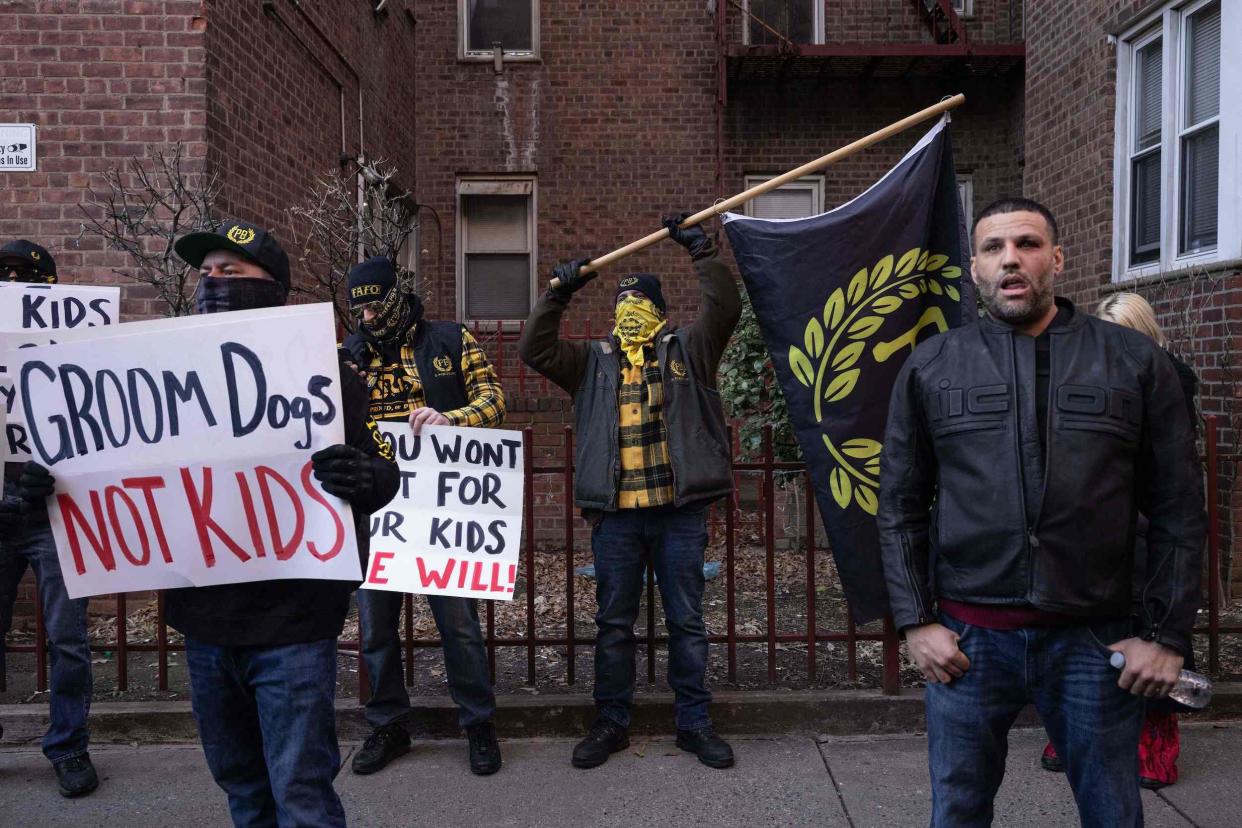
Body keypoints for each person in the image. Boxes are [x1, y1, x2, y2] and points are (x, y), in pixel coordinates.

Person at [19, 220, 400, 826]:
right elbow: (108, 460)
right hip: (205, 624)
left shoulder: (331, 378)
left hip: (294, 624)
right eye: (207, 272)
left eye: (233, 271)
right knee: (242, 788)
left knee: (300, 791)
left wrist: (368, 479)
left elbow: (383, 470)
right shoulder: (160, 376)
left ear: (273, 287)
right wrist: (47, 481)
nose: (214, 281)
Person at [878, 197, 1205, 827]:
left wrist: (1166, 637)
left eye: (1027, 244)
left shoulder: (1135, 362)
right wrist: (916, 622)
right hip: (969, 642)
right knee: (958, 810)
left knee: (1112, 811)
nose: (1011, 259)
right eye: (994, 248)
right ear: (973, 266)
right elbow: (898, 505)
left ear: (1055, 257)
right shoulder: (932, 366)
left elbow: (1178, 510)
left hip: (1094, 638)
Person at [519, 213, 741, 770]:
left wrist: (702, 252)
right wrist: (557, 292)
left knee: (687, 621)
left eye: (640, 304)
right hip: (615, 519)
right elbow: (534, 349)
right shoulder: (591, 363)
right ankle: (611, 723)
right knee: (613, 625)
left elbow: (724, 310)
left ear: (661, 313)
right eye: (622, 305)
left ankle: (694, 724)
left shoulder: (688, 351)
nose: (629, 312)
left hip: (678, 514)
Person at [340, 256, 506, 776]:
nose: (365, 317)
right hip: (375, 510)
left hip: (440, 508)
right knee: (375, 628)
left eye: (373, 305)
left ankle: (478, 724)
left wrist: (448, 419)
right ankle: (388, 725)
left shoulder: (451, 341)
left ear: (393, 297)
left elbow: (495, 399)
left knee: (458, 623)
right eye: (357, 308)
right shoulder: (350, 353)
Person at [1039, 292, 1200, 790]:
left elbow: (1171, 473)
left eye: (1125, 332)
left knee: (1151, 626)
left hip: (1149, 522)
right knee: (1085, 628)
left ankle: (1155, 739)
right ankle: (1074, 729)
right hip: (1094, 521)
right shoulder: (1084, 372)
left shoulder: (1170, 381)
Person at [0, 239, 99, 797]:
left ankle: (69, 746)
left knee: (67, 637)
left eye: (25, 277)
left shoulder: (76, 347)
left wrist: (56, 471)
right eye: (4, 276)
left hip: (55, 512)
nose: (13, 284)